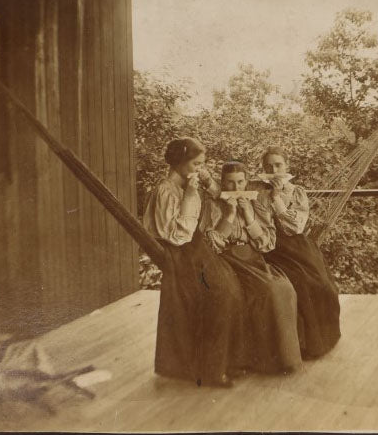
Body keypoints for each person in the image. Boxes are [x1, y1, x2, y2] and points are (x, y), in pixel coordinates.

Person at [142, 137, 241, 387]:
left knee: (230, 286)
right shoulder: (166, 190)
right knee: (220, 293)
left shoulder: (190, 182)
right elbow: (175, 235)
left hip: (193, 246)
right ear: (179, 163)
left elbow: (222, 197)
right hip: (178, 252)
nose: (200, 169)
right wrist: (190, 194)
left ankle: (224, 361)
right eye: (196, 164)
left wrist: (208, 184)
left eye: (202, 164)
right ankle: (210, 369)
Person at [200, 161, 302, 375]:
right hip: (225, 260)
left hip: (253, 258)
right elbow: (212, 245)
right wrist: (229, 215)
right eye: (229, 183)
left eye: (240, 182)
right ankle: (250, 361)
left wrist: (248, 216)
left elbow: (267, 244)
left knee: (280, 288)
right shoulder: (213, 203)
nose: (235, 188)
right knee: (245, 293)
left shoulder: (256, 204)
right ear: (222, 183)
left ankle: (280, 359)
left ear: (246, 183)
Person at [257, 146, 341, 359]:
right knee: (300, 284)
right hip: (271, 248)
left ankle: (322, 340)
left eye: (278, 165)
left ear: (287, 167)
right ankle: (300, 346)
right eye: (268, 166)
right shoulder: (256, 192)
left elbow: (295, 227)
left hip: (297, 245)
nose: (273, 170)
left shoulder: (296, 192)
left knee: (322, 285)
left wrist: (277, 198)